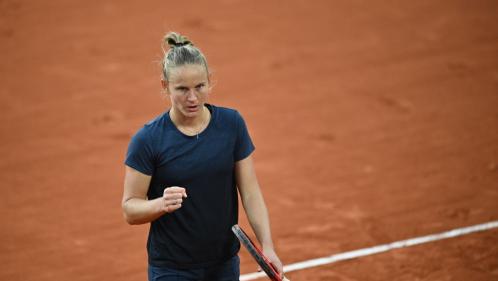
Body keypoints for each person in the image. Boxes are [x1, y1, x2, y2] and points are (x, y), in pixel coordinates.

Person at [122, 31, 284, 281]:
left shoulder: (232, 124)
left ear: (209, 81)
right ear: (165, 86)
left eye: (199, 86)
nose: (192, 98)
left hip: (223, 264)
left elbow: (250, 192)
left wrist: (268, 246)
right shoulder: (148, 140)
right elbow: (130, 208)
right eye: (182, 89)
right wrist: (160, 204)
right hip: (172, 269)